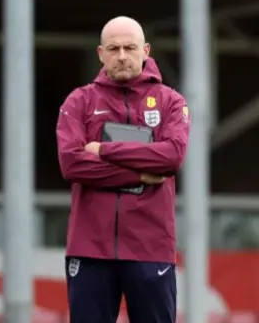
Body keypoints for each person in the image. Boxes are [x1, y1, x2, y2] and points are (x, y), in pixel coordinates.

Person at [56, 16, 190, 323]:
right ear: (100, 54)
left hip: (151, 247)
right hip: (90, 248)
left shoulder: (170, 102)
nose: (121, 55)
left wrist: (103, 149)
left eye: (129, 47)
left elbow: (171, 157)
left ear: (145, 50)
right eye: (113, 48)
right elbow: (72, 162)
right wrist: (140, 173)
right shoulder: (80, 101)